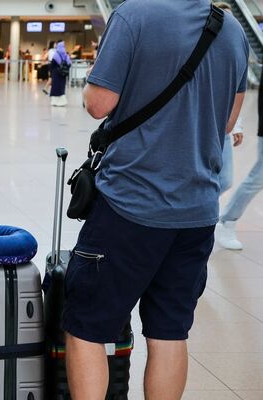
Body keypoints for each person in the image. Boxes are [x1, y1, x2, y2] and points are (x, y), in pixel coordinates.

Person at [70, 1, 247, 399]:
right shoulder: (231, 29)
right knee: (169, 332)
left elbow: (99, 104)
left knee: (86, 327)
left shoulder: (134, 16)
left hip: (130, 206)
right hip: (198, 210)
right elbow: (228, 123)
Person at [216, 88, 263, 250]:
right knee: (258, 176)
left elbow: (236, 87)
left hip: (224, 122)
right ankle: (225, 221)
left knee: (225, 180)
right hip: (208, 121)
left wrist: (236, 122)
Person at [49, 41, 70, 107]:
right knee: (61, 87)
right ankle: (62, 102)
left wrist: (50, 73)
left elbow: (52, 65)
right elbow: (69, 64)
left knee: (55, 87)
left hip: (56, 74)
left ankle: (55, 102)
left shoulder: (56, 55)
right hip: (63, 74)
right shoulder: (66, 55)